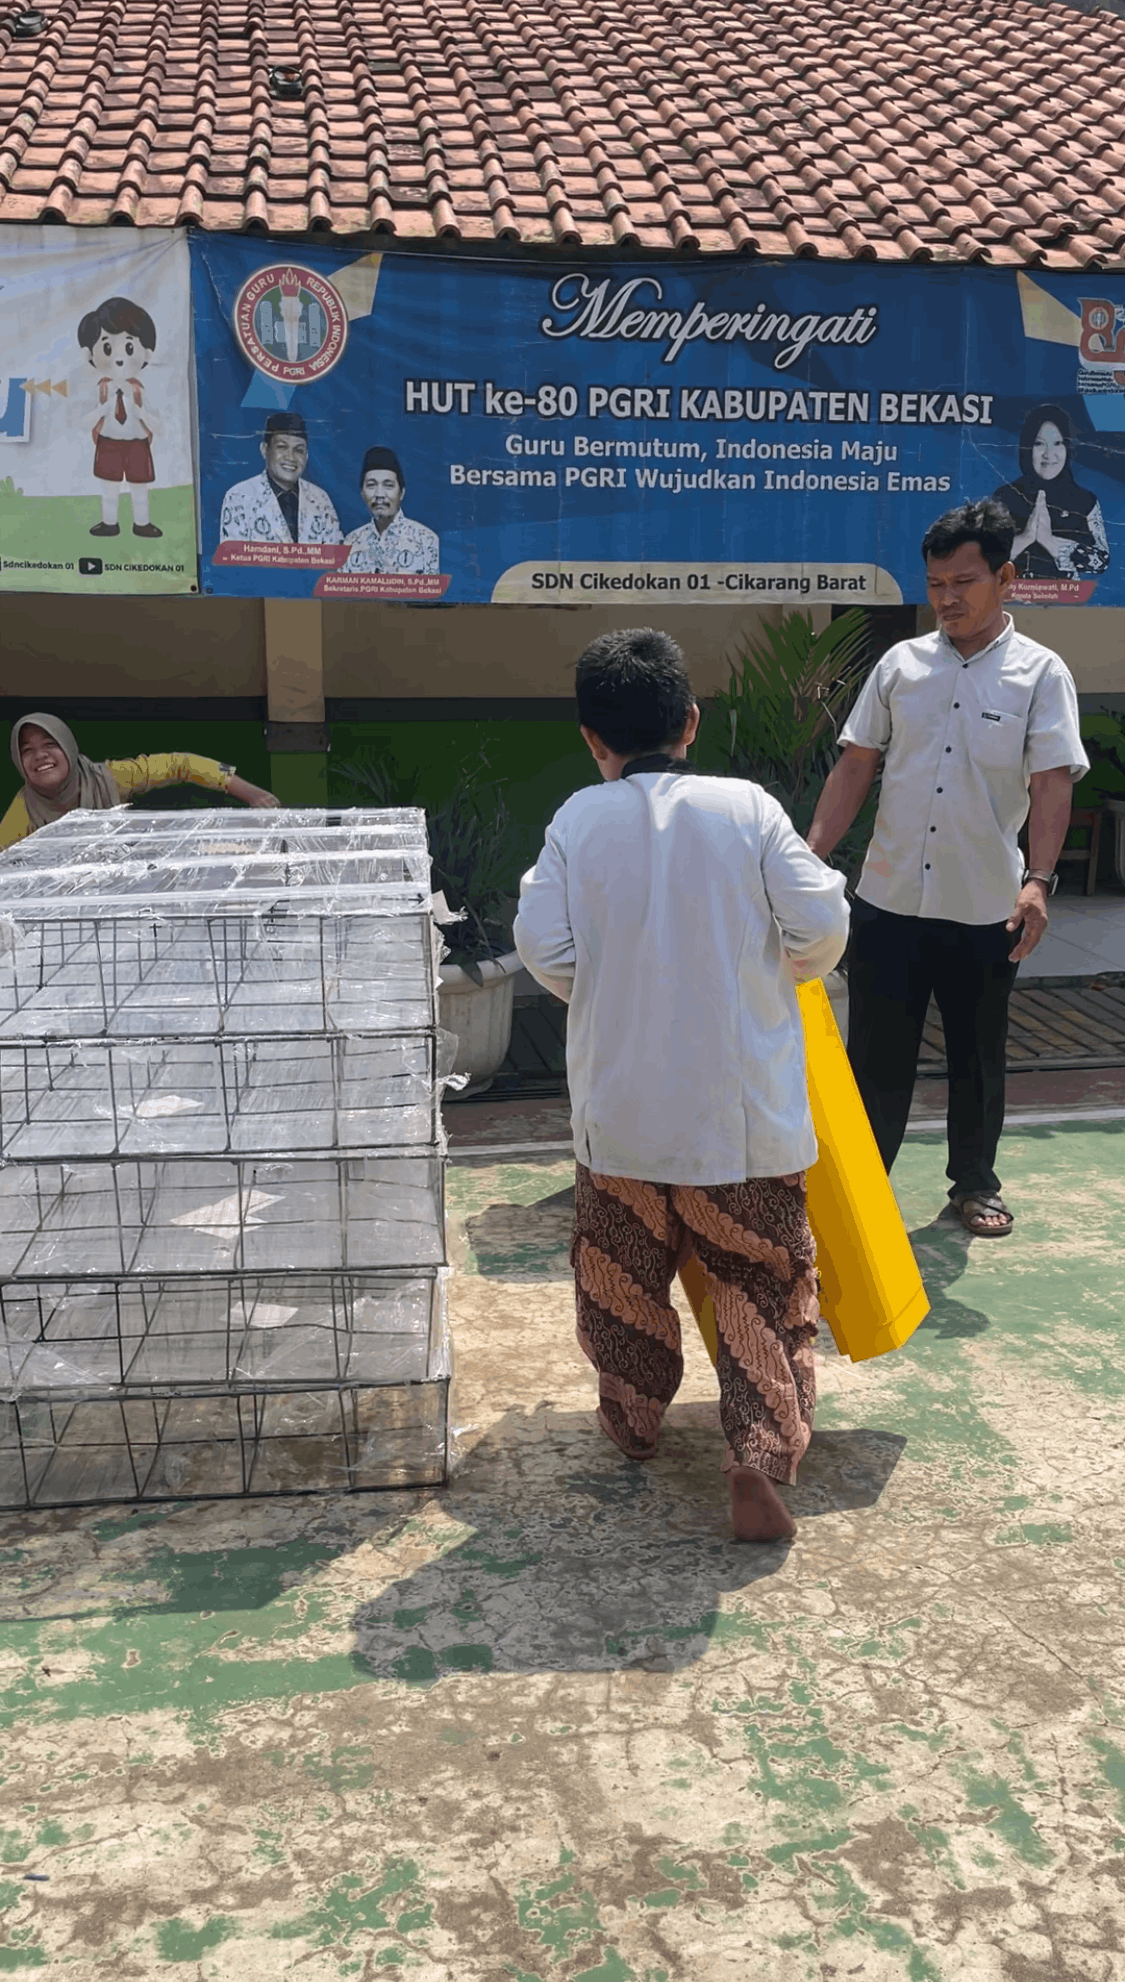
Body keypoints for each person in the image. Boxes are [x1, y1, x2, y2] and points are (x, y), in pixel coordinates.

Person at [513, 629, 849, 1543]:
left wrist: (614, 981)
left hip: (619, 1121)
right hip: (740, 1124)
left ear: (592, 738)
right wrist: (770, 965)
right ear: (691, 723)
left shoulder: (577, 822)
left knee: (619, 1279)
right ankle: (756, 1453)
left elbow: (544, 949)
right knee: (759, 1283)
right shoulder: (747, 808)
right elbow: (821, 927)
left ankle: (631, 1417)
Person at [806, 499, 1089, 1239]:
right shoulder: (900, 665)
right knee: (874, 1058)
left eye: (962, 582)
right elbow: (856, 763)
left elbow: (1051, 781)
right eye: (934, 585)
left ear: (1004, 577)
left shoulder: (1039, 674)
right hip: (888, 898)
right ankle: (862, 1197)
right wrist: (808, 856)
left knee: (976, 1053)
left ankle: (973, 1185)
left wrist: (1038, 881)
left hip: (984, 906)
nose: (946, 599)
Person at [1, 713, 279, 852]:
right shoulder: (23, 812)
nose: (40, 756)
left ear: (69, 748)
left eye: (50, 744)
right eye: (27, 750)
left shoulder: (108, 778)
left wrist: (250, 793)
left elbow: (180, 765)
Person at [78, 295, 163, 540]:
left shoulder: (140, 390)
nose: (118, 356)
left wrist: (142, 413)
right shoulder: (100, 389)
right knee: (109, 487)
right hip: (109, 442)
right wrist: (101, 411)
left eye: (128, 346)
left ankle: (142, 523)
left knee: (140, 487)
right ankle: (109, 522)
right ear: (89, 355)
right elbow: (83, 422)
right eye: (106, 346)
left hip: (137, 442)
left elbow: (159, 424)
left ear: (146, 353)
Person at [993, 405, 1110, 581]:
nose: (1049, 454)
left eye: (1058, 443)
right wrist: (1025, 538)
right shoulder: (1004, 497)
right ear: (1027, 447)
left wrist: (1049, 541)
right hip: (1014, 601)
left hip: (1067, 603)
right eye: (1039, 444)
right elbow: (986, 558)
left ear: (1067, 447)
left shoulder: (1085, 501)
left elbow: (1101, 561)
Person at [218, 411, 342, 547]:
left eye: (299, 450)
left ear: (306, 456)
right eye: (282, 447)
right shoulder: (239, 496)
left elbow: (333, 557)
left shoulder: (320, 498)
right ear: (265, 450)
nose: (290, 457)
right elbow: (234, 562)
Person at [341, 448, 440, 575]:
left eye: (388, 485)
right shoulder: (351, 541)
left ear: (402, 493)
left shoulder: (425, 539)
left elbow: (433, 592)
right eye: (371, 485)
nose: (379, 494)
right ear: (362, 493)